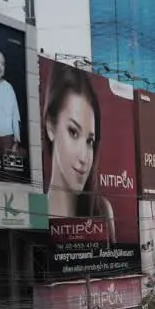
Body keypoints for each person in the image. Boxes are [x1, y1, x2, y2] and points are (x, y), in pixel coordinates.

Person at [42, 64, 115, 236]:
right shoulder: (34, 215)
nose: (84, 157)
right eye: (73, 132)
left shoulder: (102, 211)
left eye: (90, 141)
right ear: (51, 126)